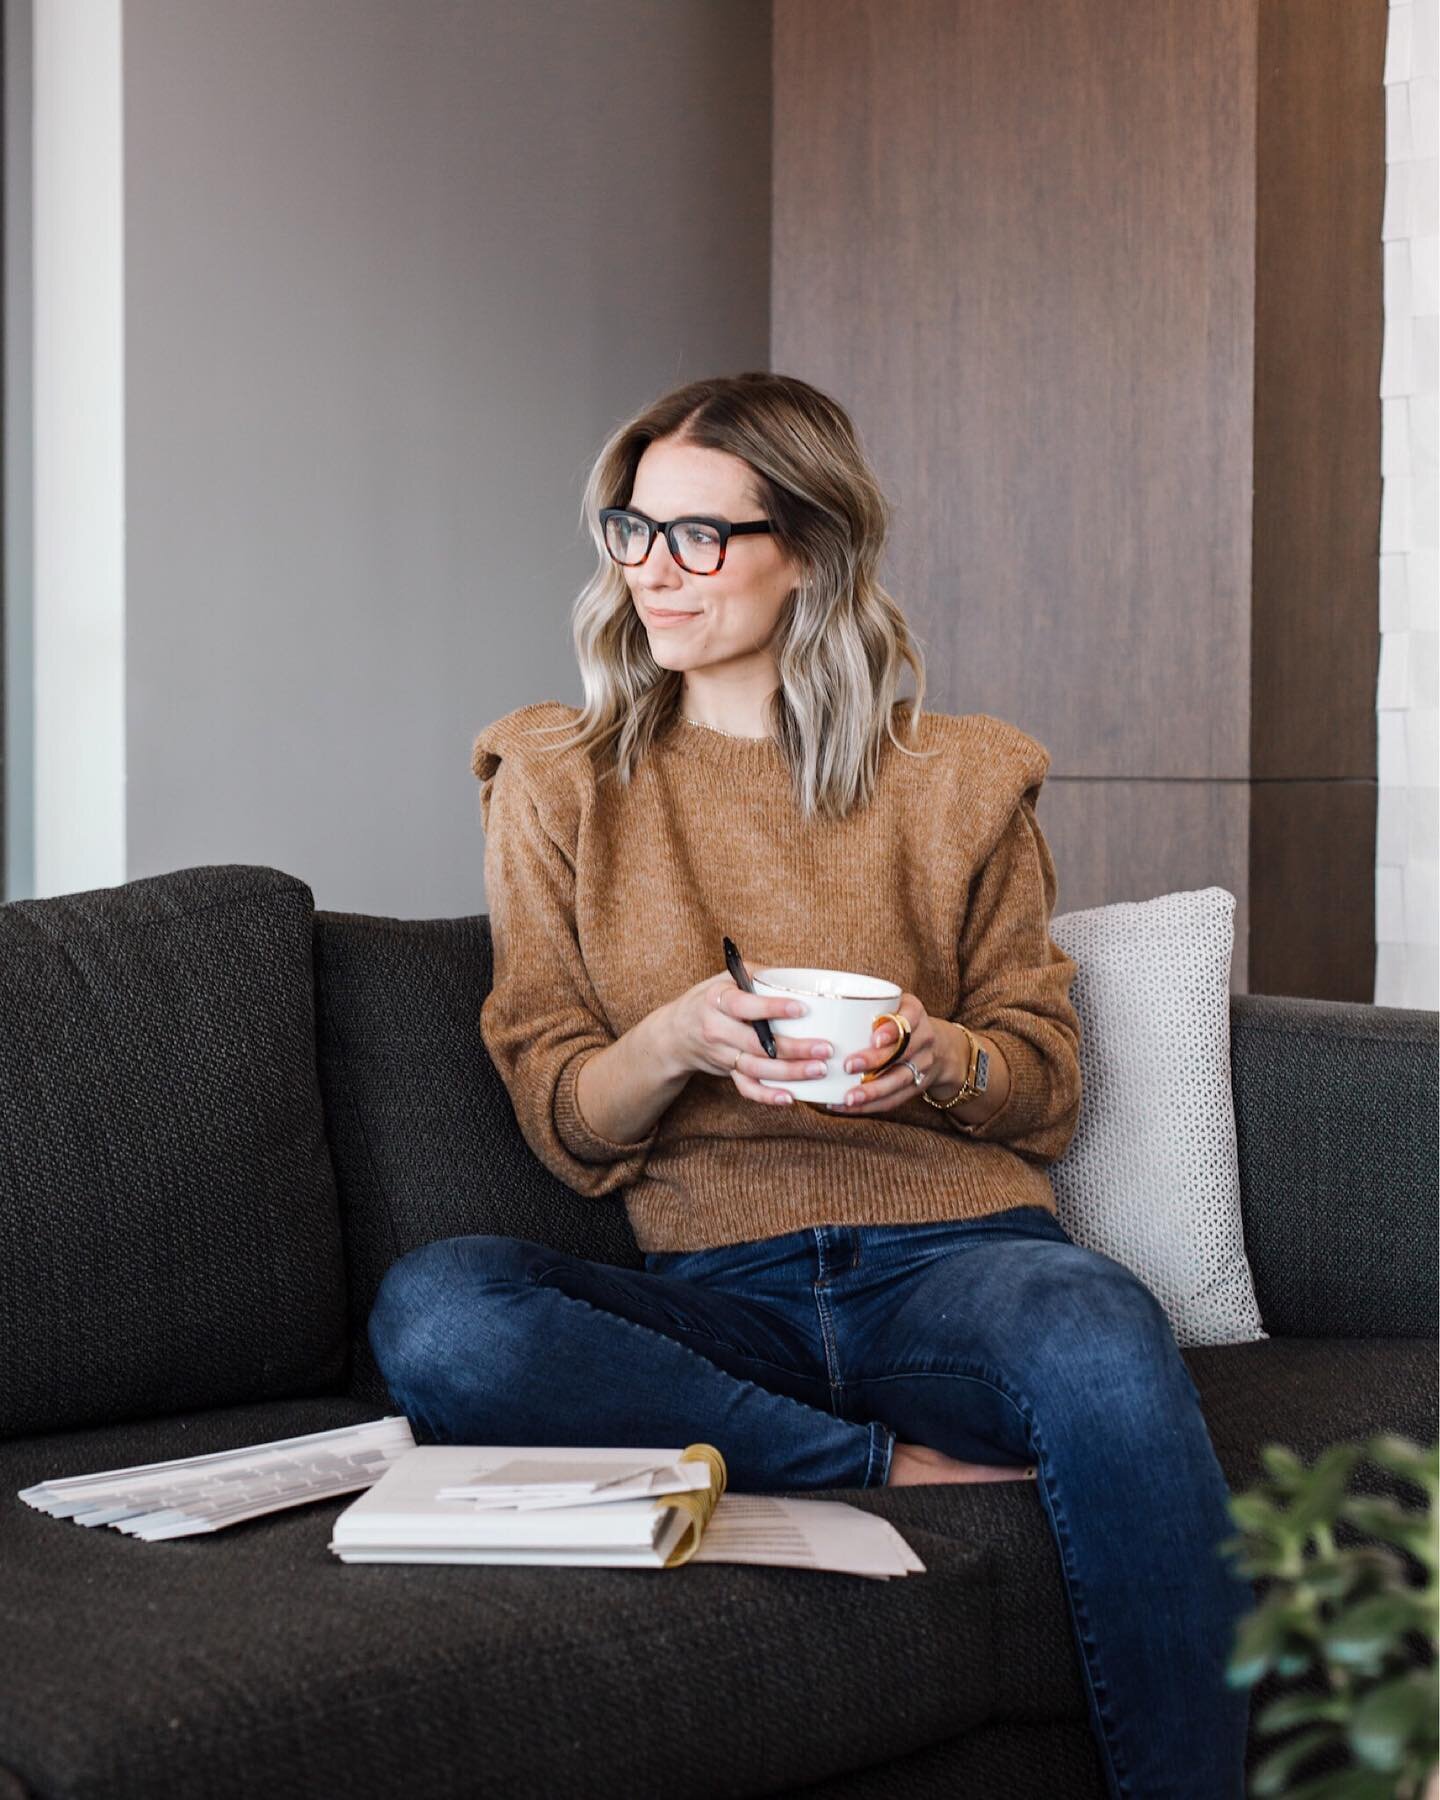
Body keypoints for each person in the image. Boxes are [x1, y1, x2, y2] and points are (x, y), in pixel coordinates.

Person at [368, 371, 1253, 1798]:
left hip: (955, 1274)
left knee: (1098, 1320)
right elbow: (559, 1116)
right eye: (632, 528)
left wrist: (935, 1053)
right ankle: (878, 1469)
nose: (654, 570)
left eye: (701, 536)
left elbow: (1046, 1088)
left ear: (814, 553)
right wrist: (674, 1038)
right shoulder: (554, 778)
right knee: (441, 1309)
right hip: (718, 1307)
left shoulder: (959, 780)